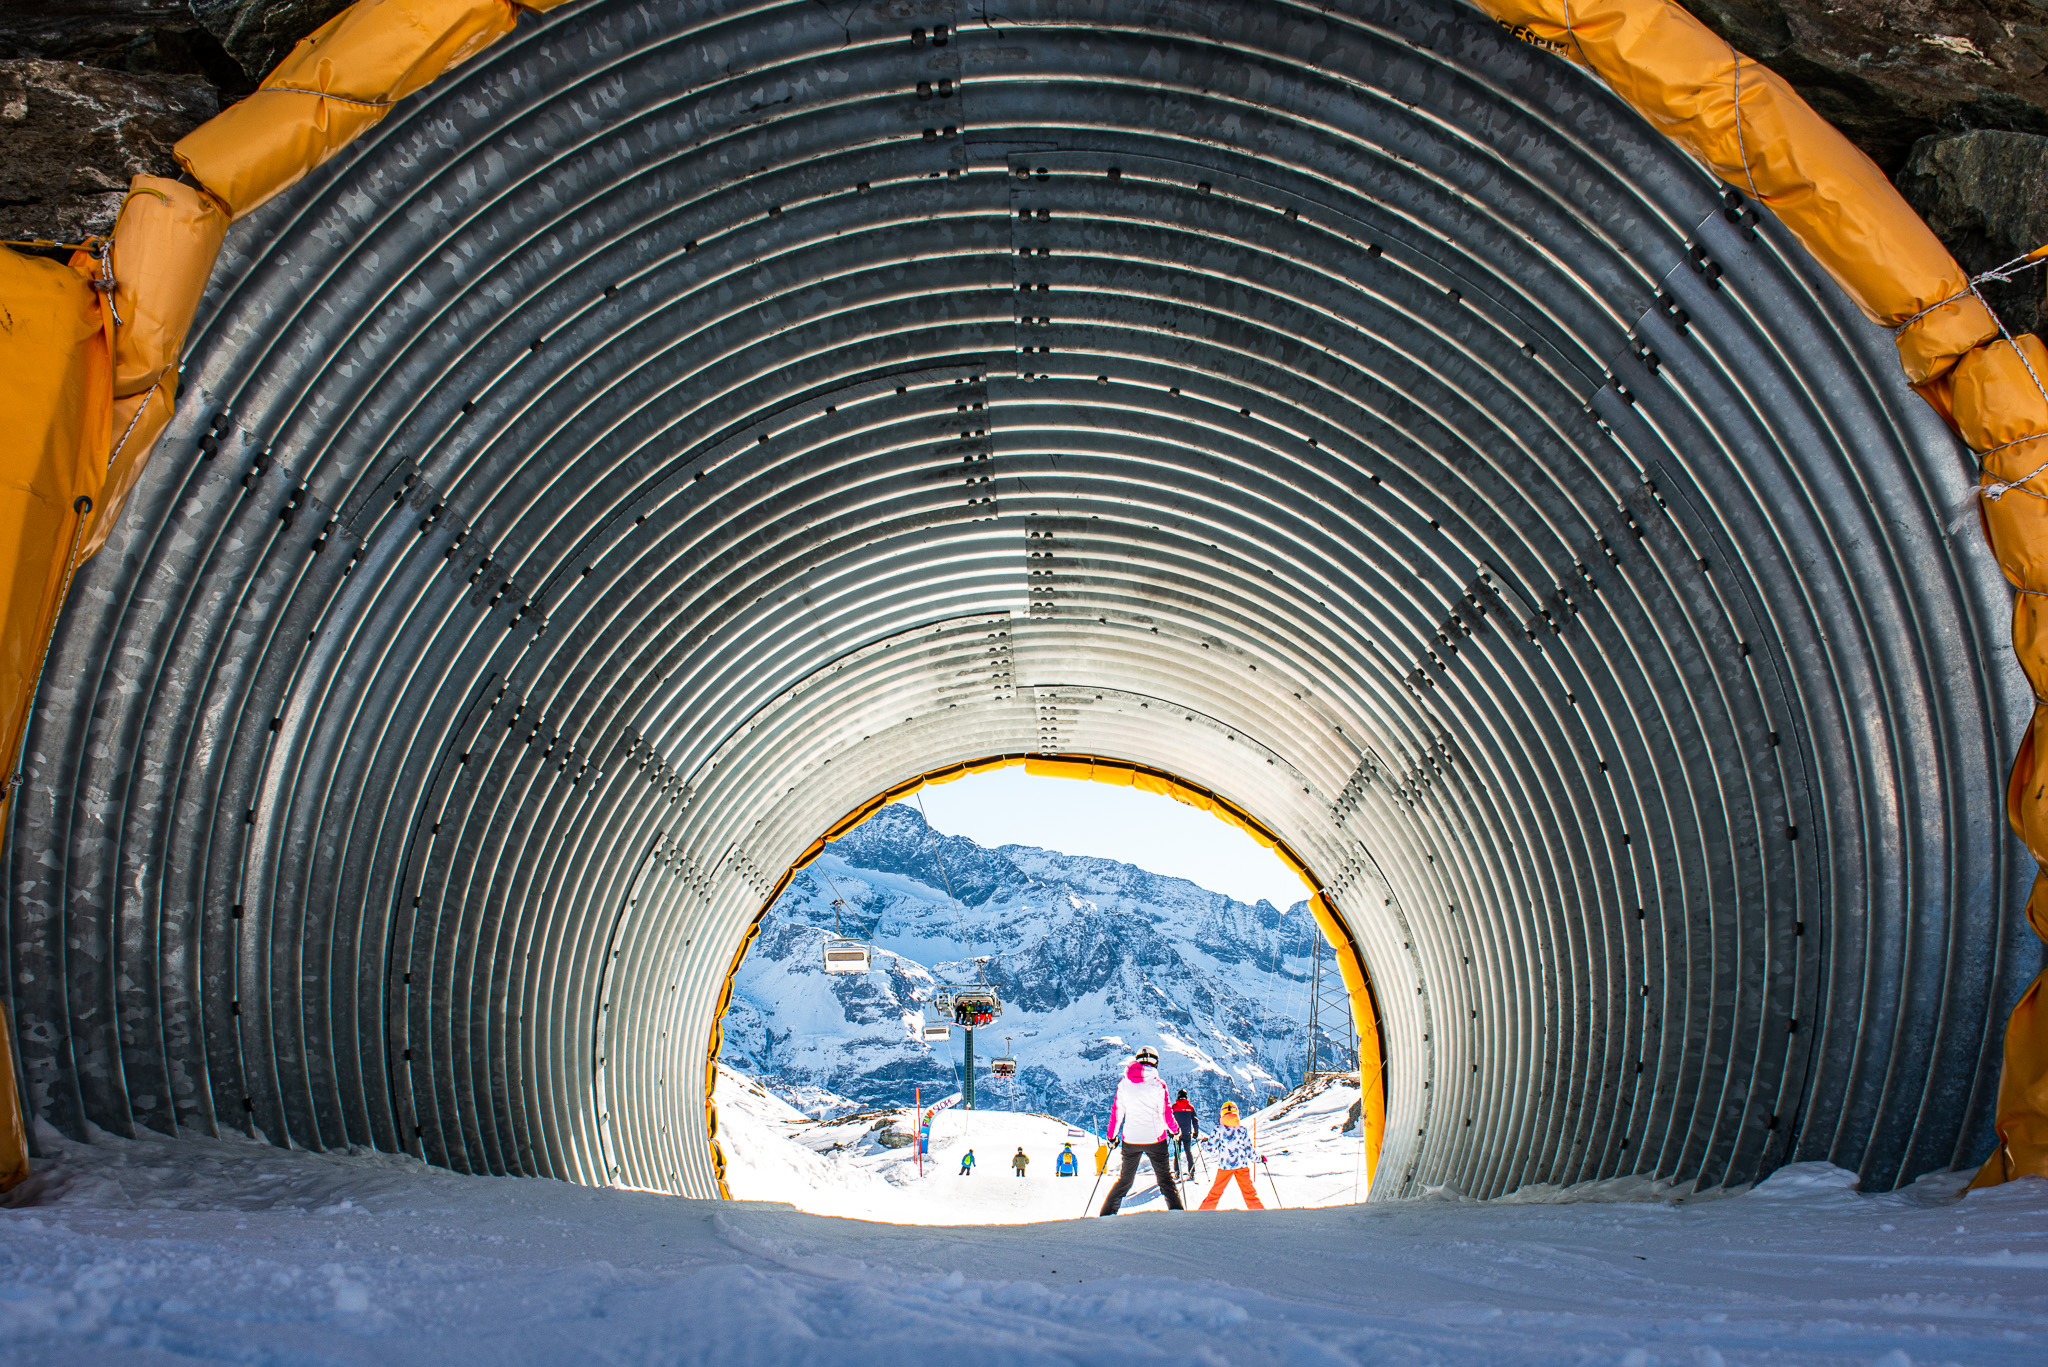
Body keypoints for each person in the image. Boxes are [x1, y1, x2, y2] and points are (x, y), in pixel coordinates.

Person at [1097, 1045, 1183, 1215]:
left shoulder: (1124, 1084)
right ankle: (1178, 1215)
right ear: (1155, 1062)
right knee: (1165, 1180)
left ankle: (1106, 1215)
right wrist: (1175, 1130)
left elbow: (1116, 1112)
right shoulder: (1158, 1085)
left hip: (1131, 1139)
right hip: (1155, 1139)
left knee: (1125, 1181)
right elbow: (1166, 1113)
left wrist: (1111, 1137)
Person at [1196, 1102, 1264, 1210]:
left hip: (1225, 1167)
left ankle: (1203, 1214)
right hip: (1242, 1166)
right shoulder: (1242, 1130)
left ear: (1222, 1113)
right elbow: (1249, 1150)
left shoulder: (1219, 1129)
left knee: (1215, 1193)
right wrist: (1259, 1159)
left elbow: (1211, 1148)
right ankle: (1260, 1214)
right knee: (1250, 1194)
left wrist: (1204, 1143)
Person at [1170, 1090, 1199, 1180]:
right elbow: (1195, 1120)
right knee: (1188, 1152)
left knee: (1177, 1152)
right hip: (1187, 1133)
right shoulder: (1190, 1107)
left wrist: (1170, 1133)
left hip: (1176, 1133)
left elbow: (1169, 1120)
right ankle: (1191, 1172)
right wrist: (1196, 1132)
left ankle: (1177, 1172)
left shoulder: (1174, 1107)